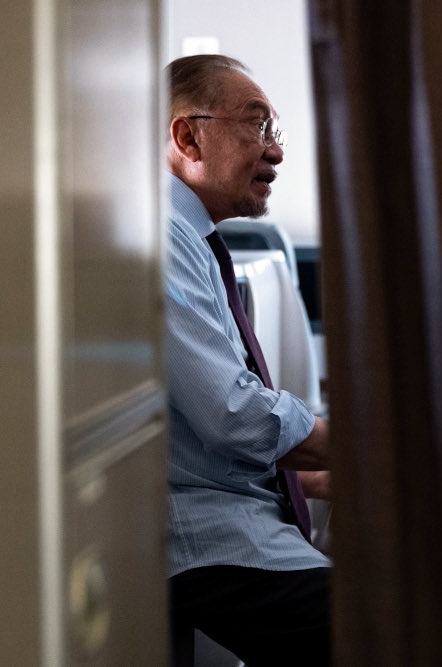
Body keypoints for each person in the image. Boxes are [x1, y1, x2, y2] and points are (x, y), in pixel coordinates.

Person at [163, 54, 332, 666]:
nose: (276, 151)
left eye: (273, 131)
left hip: (235, 515)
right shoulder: (163, 235)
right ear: (188, 136)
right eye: (257, 126)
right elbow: (231, 414)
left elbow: (195, 441)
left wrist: (309, 477)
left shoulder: (195, 238)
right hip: (211, 539)